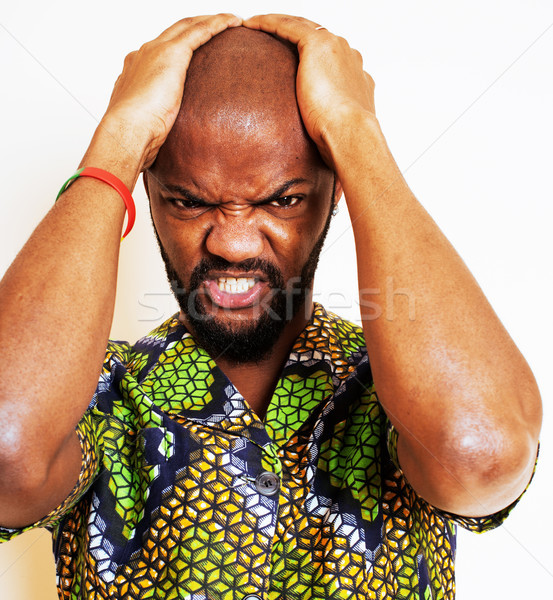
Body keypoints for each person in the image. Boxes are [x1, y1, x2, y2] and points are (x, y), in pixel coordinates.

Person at [0, 12, 541, 600]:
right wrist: (119, 138)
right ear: (148, 194)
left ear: (332, 192)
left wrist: (357, 138)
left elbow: (482, 450)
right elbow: (7, 443)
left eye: (282, 200)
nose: (232, 243)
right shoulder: (92, 401)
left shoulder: (399, 400)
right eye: (187, 201)